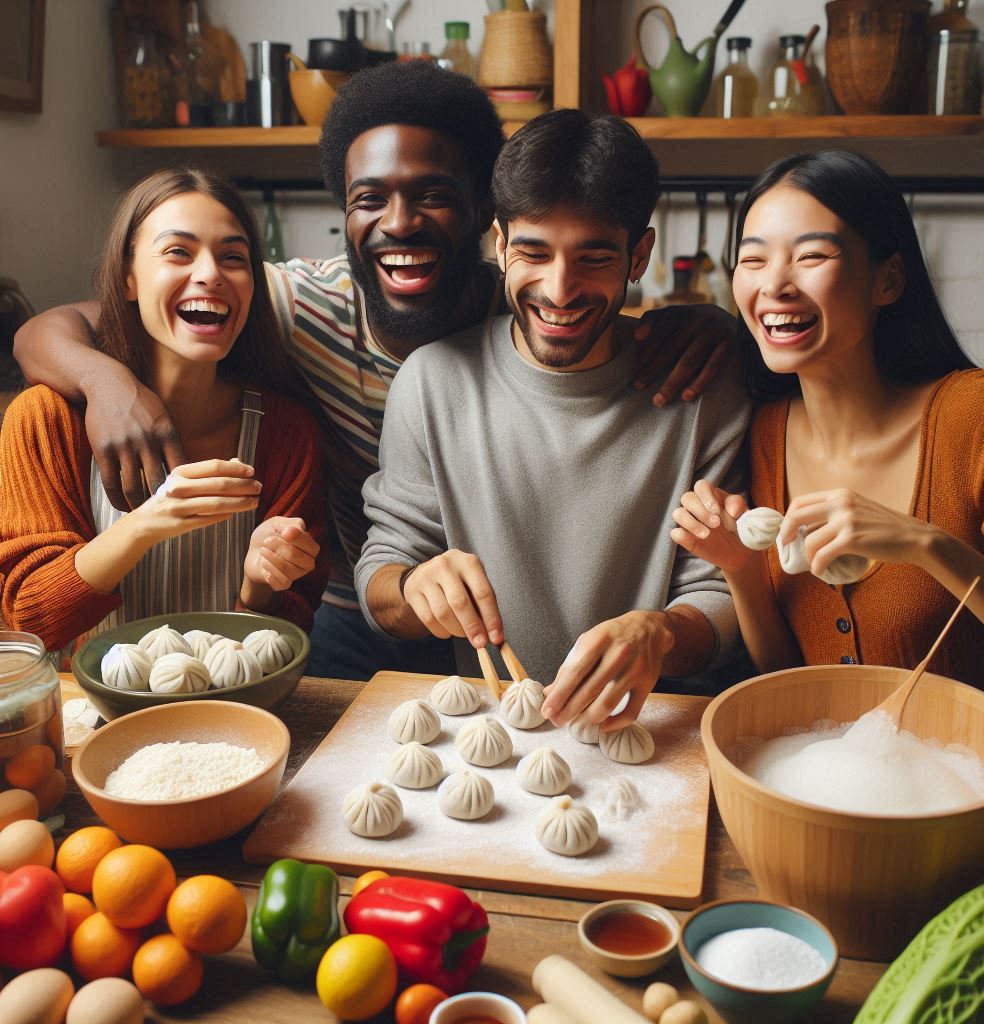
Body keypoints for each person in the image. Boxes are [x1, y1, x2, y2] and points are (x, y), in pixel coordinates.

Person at [14, 62, 734, 680]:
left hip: (477, 626)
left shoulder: (537, 313)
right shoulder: (279, 300)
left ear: (485, 214)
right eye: (370, 199)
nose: (400, 223)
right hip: (356, 610)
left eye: (432, 195)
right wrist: (105, 380)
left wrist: (713, 324)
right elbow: (67, 323)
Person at [356, 109, 750, 731]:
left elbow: (721, 597)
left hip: (650, 728)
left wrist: (662, 633)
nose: (560, 290)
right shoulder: (432, 382)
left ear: (639, 254)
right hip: (491, 732)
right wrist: (412, 589)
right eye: (534, 252)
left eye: (593, 258)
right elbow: (382, 572)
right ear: (500, 243)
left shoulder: (703, 389)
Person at [672, 150, 984, 691]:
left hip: (966, 769)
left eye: (811, 256)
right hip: (820, 770)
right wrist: (740, 570)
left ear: (888, 280)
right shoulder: (765, 429)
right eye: (753, 259)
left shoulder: (975, 413)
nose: (775, 285)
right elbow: (786, 680)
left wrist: (927, 546)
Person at [0, 168, 327, 651]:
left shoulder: (287, 433)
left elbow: (290, 631)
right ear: (128, 278)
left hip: (236, 714)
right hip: (82, 719)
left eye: (233, 257)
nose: (211, 273)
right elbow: (30, 620)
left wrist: (261, 587)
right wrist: (148, 523)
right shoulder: (45, 419)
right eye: (178, 251)